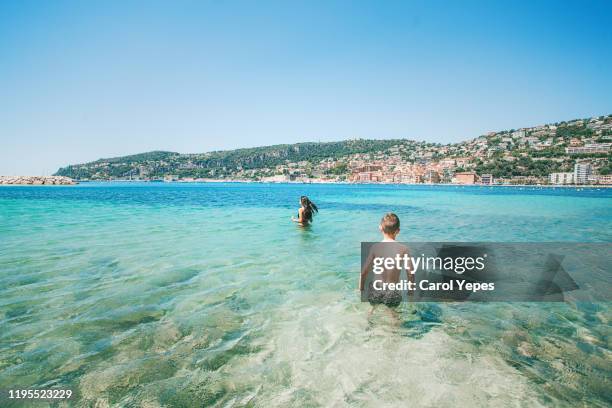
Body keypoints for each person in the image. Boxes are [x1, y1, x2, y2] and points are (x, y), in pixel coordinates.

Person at [360, 213, 413, 316]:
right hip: (392, 291)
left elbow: (364, 272)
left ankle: (367, 328)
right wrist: (410, 291)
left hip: (377, 289)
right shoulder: (404, 249)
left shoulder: (375, 247)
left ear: (380, 228)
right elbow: (410, 273)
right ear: (398, 231)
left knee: (371, 311)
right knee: (393, 314)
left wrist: (361, 289)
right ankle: (395, 331)